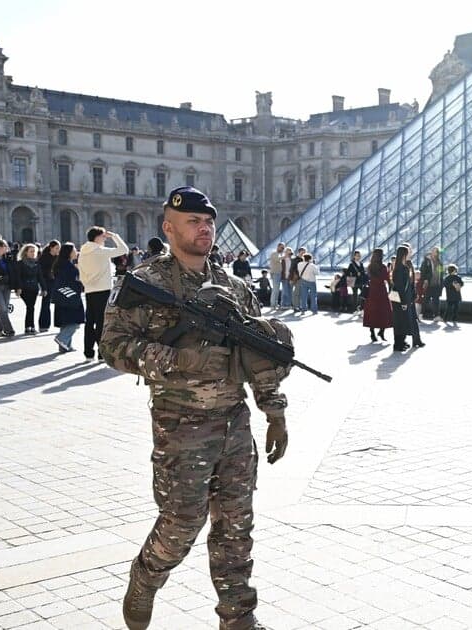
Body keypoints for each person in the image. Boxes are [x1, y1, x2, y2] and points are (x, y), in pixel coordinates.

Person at [100, 186, 291, 630]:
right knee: (182, 523)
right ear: (169, 228)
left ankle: (239, 618)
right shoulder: (145, 285)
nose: (204, 229)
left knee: (235, 528)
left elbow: (257, 353)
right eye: (193, 222)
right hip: (181, 426)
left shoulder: (234, 287)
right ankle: (146, 576)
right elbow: (111, 348)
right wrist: (177, 359)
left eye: (208, 222)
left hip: (234, 424)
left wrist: (274, 409)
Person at [77, 226, 129, 360]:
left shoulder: (83, 251)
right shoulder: (100, 251)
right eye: (103, 237)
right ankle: (101, 353)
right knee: (102, 322)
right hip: (103, 290)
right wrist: (114, 236)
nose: (105, 239)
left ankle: (88, 352)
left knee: (89, 322)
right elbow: (124, 250)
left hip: (89, 290)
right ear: (97, 237)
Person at [51, 243, 83, 352]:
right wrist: (79, 283)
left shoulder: (61, 263)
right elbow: (70, 281)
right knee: (75, 320)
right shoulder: (67, 266)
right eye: (74, 250)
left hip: (62, 295)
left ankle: (65, 345)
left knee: (66, 320)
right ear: (69, 253)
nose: (76, 252)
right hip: (70, 295)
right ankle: (62, 338)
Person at [391, 244, 424, 351]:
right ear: (404, 255)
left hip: (399, 298)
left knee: (400, 321)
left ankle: (401, 342)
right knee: (400, 321)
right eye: (408, 252)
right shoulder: (403, 269)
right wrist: (404, 302)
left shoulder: (399, 268)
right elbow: (402, 287)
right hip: (402, 299)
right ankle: (398, 344)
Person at [363, 248, 393, 342]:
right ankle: (381, 331)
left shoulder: (370, 267)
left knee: (372, 312)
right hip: (381, 291)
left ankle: (372, 333)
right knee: (384, 311)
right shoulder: (383, 267)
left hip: (372, 291)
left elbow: (367, 278)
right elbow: (387, 279)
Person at [12, 244, 42, 335]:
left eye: (34, 251)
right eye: (31, 251)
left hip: (34, 288)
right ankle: (30, 326)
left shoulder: (37, 264)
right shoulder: (20, 263)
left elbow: (40, 277)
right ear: (25, 252)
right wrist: (18, 288)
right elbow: (17, 277)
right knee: (30, 307)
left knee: (31, 307)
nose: (33, 253)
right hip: (24, 288)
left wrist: (44, 288)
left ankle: (29, 327)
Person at [38, 240, 60, 333]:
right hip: (47, 282)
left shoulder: (58, 258)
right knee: (45, 304)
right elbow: (40, 273)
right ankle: (43, 325)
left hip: (57, 282)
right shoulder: (44, 258)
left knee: (59, 303)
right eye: (57, 248)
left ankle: (60, 323)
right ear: (51, 248)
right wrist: (43, 287)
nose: (58, 250)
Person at [419, 247, 445, 321]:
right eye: (433, 251)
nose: (435, 253)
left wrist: (442, 283)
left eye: (436, 251)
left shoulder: (439, 262)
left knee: (436, 300)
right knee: (426, 300)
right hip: (429, 284)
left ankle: (436, 316)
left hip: (437, 284)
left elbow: (441, 273)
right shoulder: (426, 261)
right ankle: (421, 314)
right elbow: (422, 271)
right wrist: (424, 280)